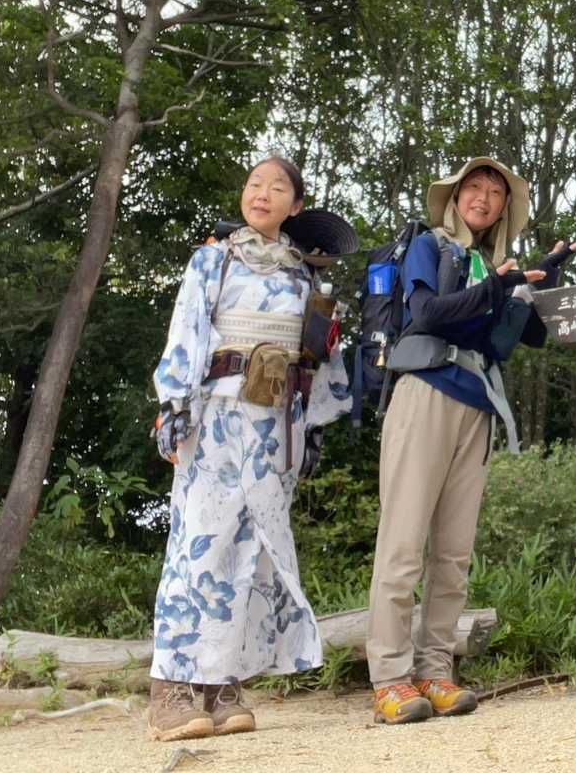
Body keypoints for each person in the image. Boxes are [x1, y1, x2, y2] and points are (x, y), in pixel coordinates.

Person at [365, 157, 576, 725]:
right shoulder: (430, 246)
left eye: (495, 192)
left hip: (478, 405)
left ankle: (435, 670)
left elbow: (528, 337)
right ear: (455, 196)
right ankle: (390, 678)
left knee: (454, 553)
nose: (483, 198)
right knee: (403, 544)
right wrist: (500, 286)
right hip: (425, 392)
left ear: (505, 208)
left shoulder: (493, 265)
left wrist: (543, 274)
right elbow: (426, 313)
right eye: (474, 187)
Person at [146, 157, 355, 741]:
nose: (262, 193)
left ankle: (222, 684)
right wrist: (174, 406)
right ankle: (171, 686)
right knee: (200, 541)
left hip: (278, 427)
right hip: (216, 416)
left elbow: (319, 358)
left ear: (296, 206)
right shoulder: (213, 260)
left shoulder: (305, 276)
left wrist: (315, 428)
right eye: (254, 184)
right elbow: (186, 331)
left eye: (277, 187)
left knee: (256, 549)